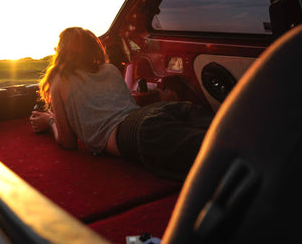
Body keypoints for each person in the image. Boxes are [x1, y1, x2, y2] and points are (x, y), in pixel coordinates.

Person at [30, 27, 211, 181]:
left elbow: (68, 142)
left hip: (138, 130)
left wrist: (50, 121)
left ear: (62, 52)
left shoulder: (60, 78)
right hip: (159, 111)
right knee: (228, 133)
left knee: (220, 158)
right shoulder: (110, 69)